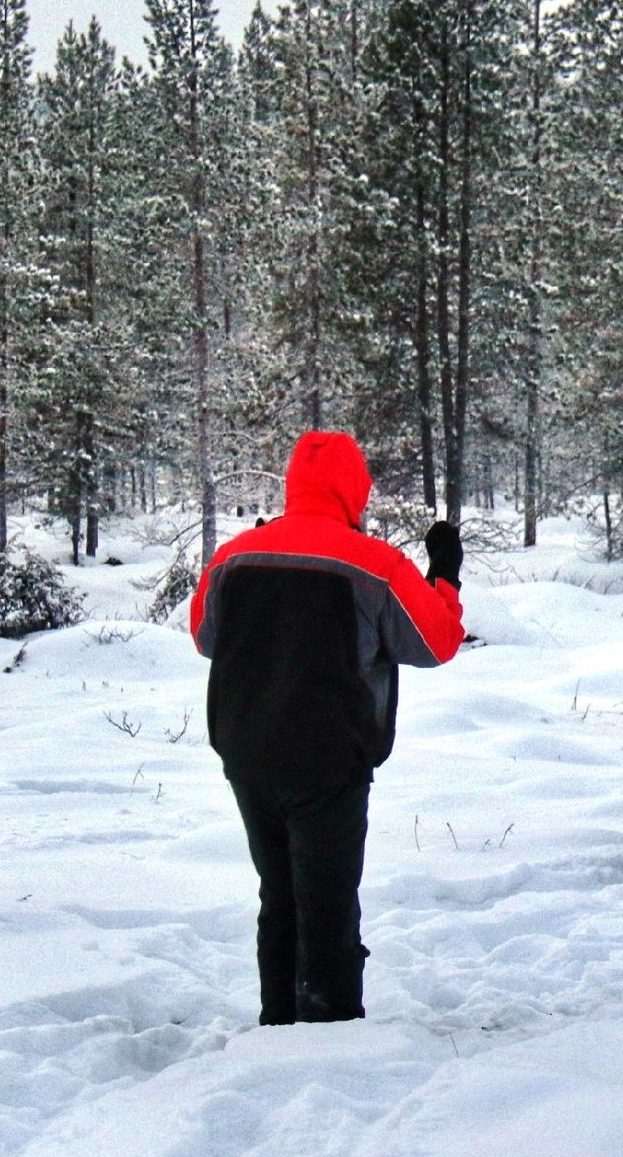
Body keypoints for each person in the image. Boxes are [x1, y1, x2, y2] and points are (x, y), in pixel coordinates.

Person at [191, 431, 467, 1024]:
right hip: (329, 759)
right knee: (328, 903)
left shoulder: (234, 556)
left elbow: (205, 637)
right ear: (354, 489)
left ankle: (279, 1022)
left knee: (280, 893)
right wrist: (445, 570)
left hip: (247, 753)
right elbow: (435, 642)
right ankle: (330, 1033)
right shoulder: (375, 564)